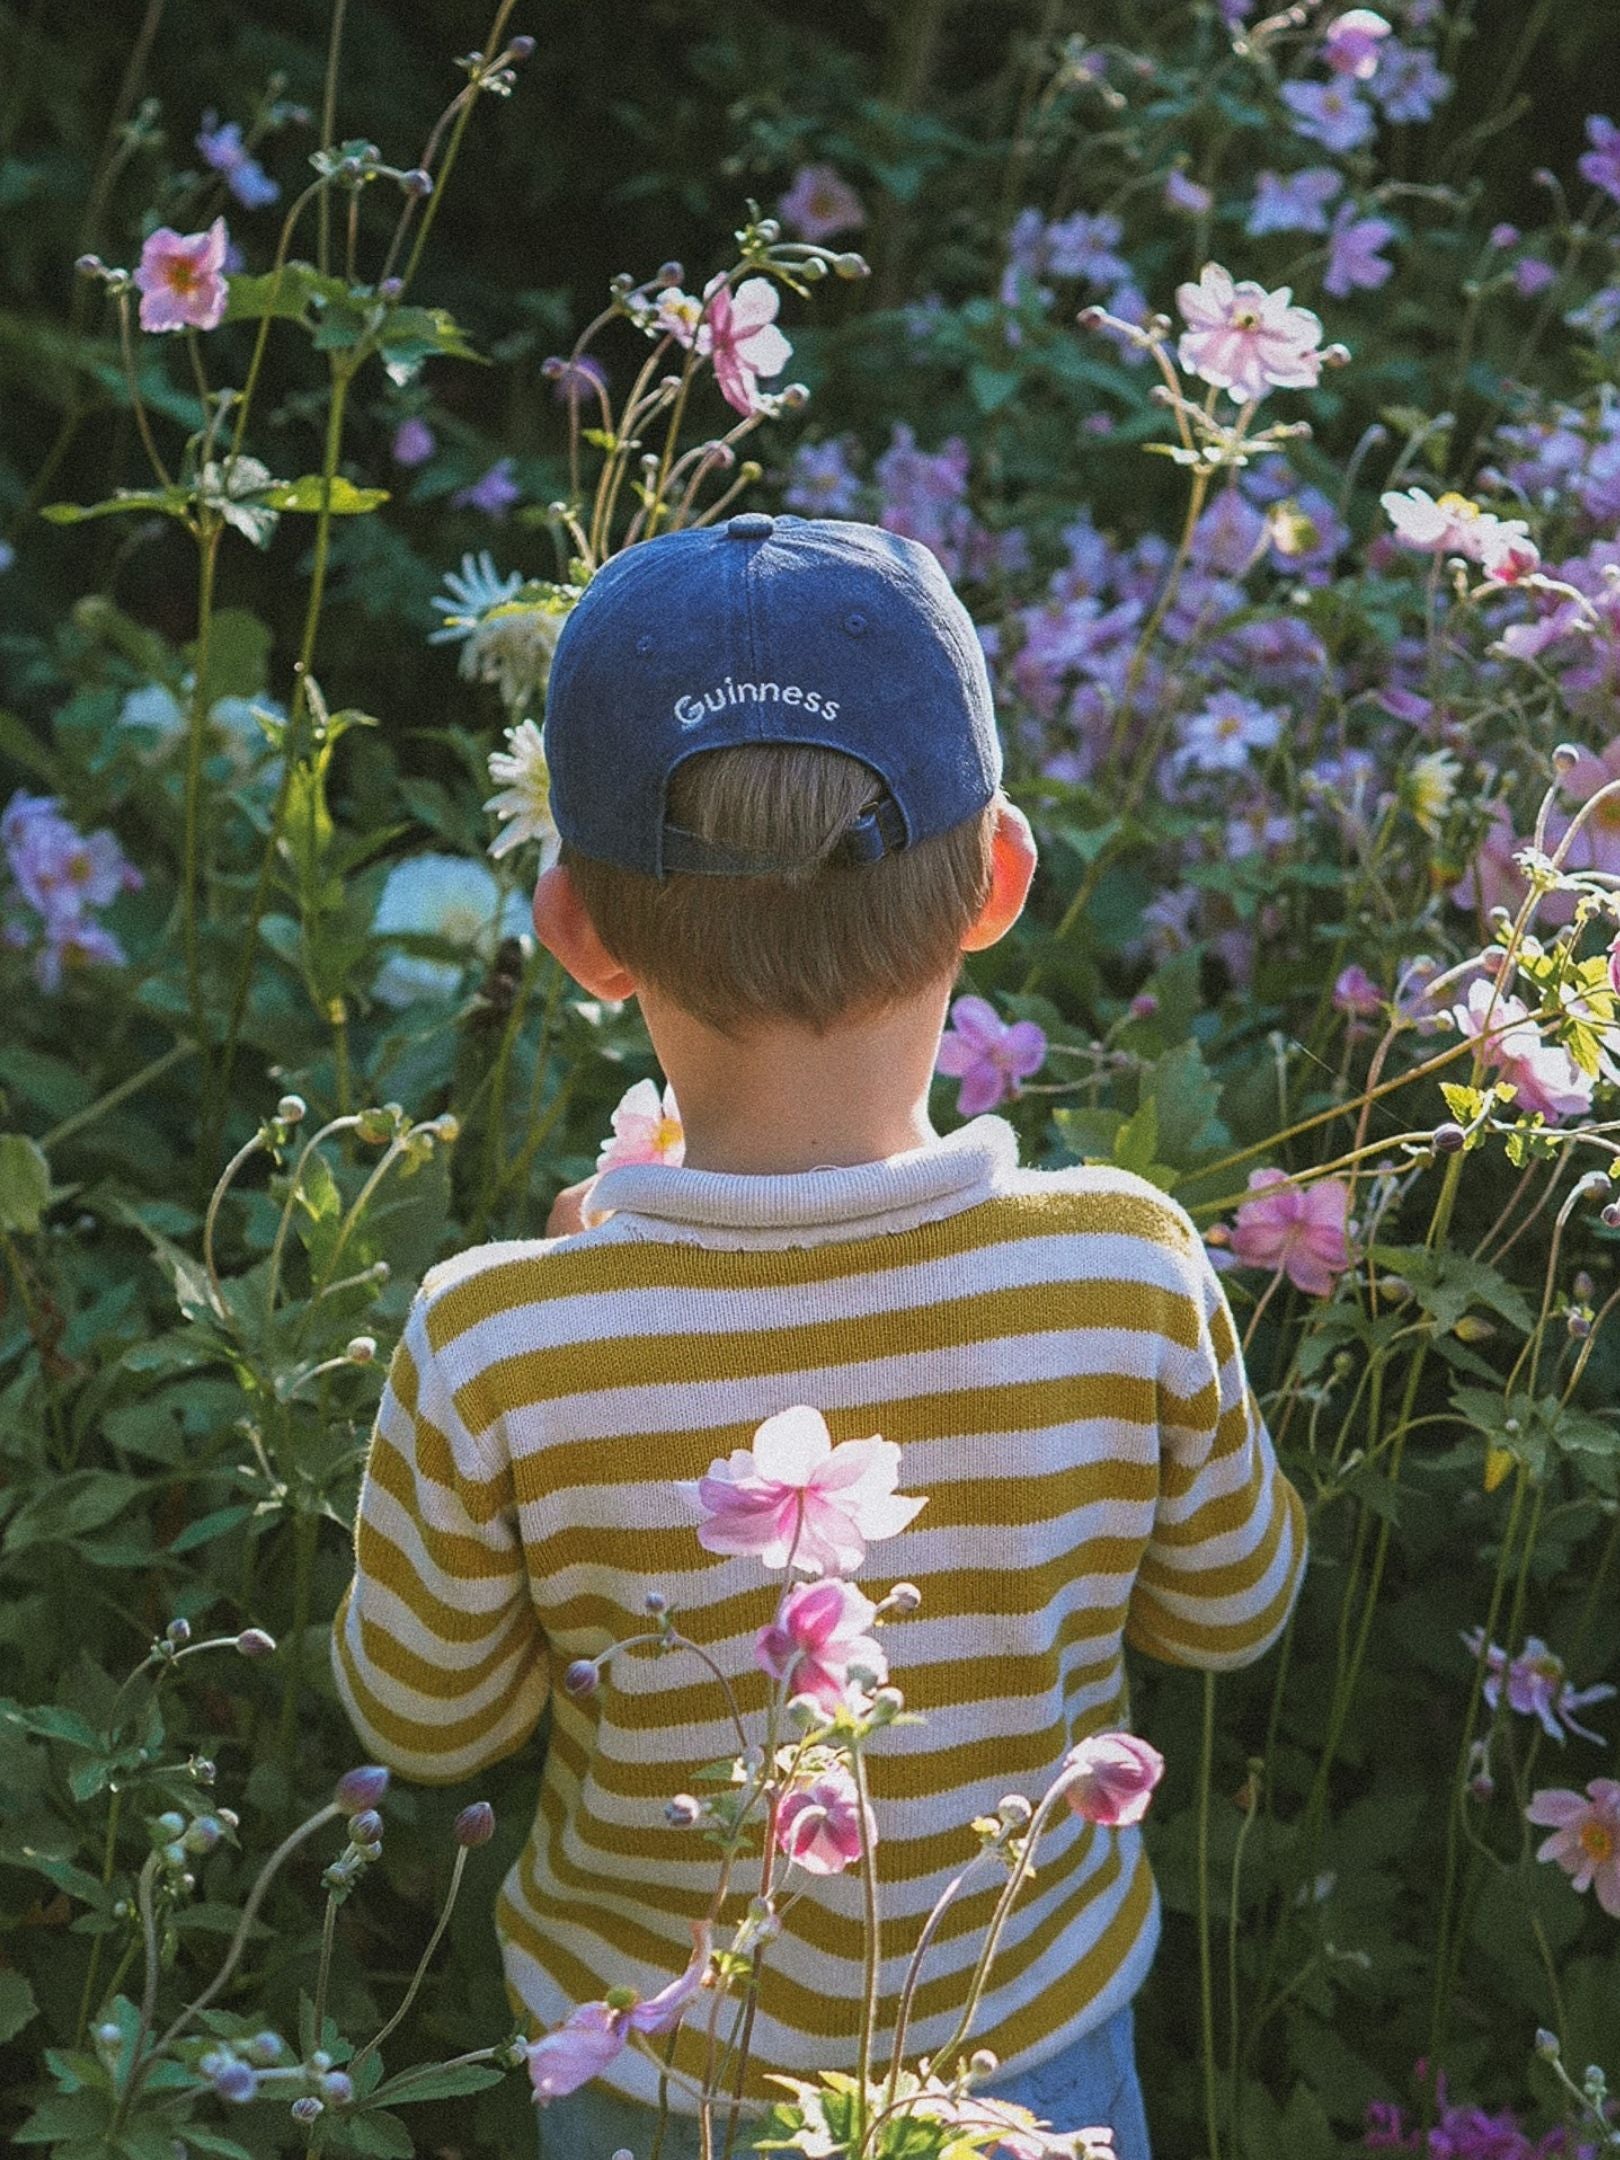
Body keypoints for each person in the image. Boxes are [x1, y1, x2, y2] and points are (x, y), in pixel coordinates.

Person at [329, 513, 1308, 2160]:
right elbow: (1232, 1612)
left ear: (577, 931)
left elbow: (426, 1723)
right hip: (1028, 2058)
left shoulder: (496, 1335)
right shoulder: (1125, 1268)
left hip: (656, 2077)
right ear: (997, 879)